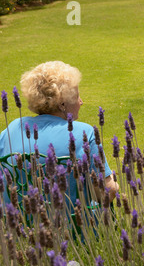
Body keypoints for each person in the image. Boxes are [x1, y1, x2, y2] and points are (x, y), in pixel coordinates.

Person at [0, 61, 118, 212]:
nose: (81, 102)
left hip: (20, 227)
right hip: (73, 229)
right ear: (62, 103)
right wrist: (115, 183)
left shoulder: (13, 128)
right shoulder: (84, 133)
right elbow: (104, 194)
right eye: (77, 95)